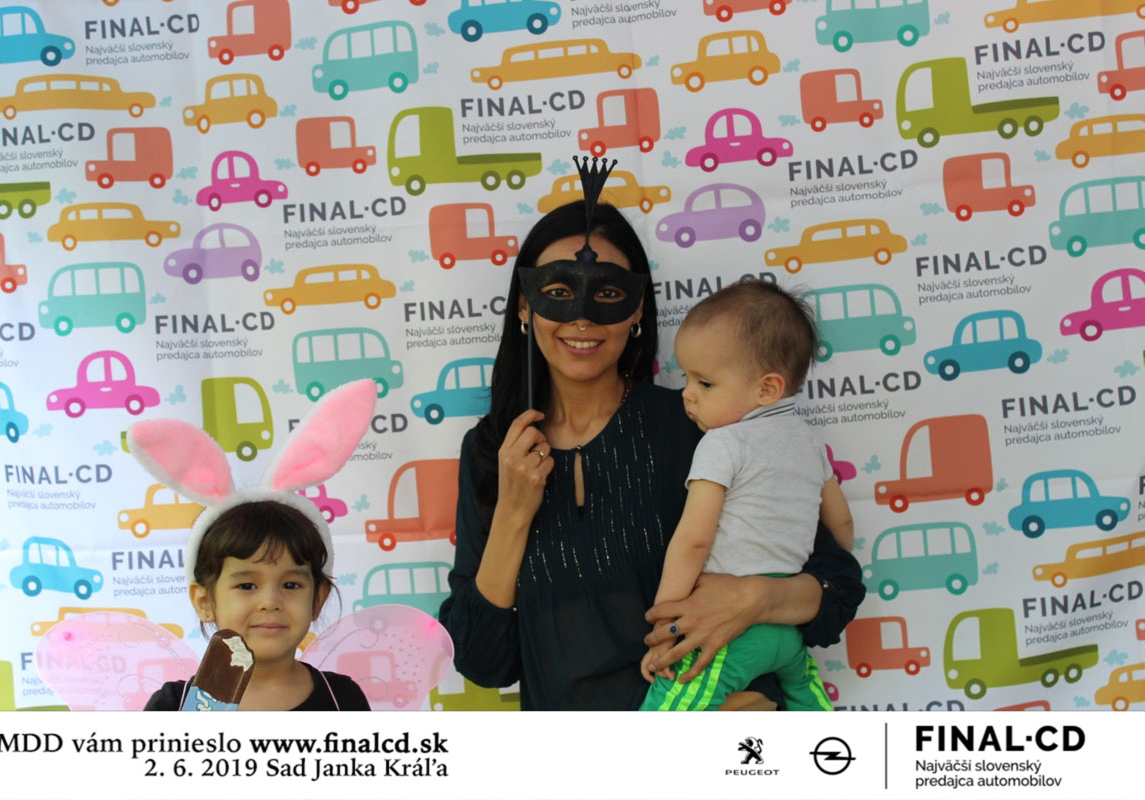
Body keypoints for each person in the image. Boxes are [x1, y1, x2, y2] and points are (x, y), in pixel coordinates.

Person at [438, 198, 864, 710]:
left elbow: (836, 584)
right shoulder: (492, 452)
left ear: (638, 309)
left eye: (608, 293)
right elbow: (483, 661)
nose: (582, 316)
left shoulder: (704, 429)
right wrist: (512, 514)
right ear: (525, 307)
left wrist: (754, 599)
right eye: (558, 292)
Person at [638, 281, 853, 712]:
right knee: (807, 697)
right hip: (787, 631)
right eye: (686, 377)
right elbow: (841, 523)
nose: (687, 393)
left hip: (731, 633)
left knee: (668, 710)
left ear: (767, 389)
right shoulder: (809, 442)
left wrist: (667, 626)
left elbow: (693, 541)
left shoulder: (722, 443)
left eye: (705, 383)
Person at [143, 500, 370, 711]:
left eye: (291, 585)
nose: (270, 602)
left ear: (317, 600)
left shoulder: (342, 699)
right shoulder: (174, 706)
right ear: (205, 603)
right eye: (247, 586)